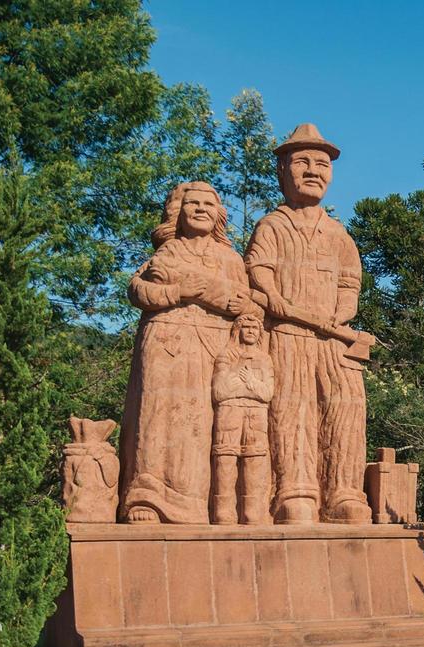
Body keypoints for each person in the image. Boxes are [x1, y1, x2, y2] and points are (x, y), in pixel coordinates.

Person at [245, 123, 374, 525]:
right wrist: (278, 300)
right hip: (287, 335)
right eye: (302, 161)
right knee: (291, 409)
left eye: (321, 163)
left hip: (333, 340)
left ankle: (344, 492)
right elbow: (258, 272)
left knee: (346, 408)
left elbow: (350, 281)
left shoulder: (338, 233)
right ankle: (295, 491)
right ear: (283, 170)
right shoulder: (272, 225)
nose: (313, 170)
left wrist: (340, 315)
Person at [121, 182, 255, 523]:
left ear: (218, 215)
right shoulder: (167, 253)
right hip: (167, 340)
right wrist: (178, 292)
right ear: (177, 212)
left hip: (214, 346)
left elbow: (244, 303)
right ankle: (148, 498)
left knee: (205, 423)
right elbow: (137, 289)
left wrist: (229, 300)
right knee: (160, 416)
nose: (200, 209)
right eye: (191, 203)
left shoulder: (230, 258)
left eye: (208, 204)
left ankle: (204, 504)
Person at [210, 313, 275, 524]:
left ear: (259, 333)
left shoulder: (265, 359)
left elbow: (267, 393)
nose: (250, 331)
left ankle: (253, 510)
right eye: (246, 327)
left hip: (256, 413)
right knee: (225, 457)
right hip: (229, 411)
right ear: (237, 330)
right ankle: (224, 510)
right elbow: (220, 392)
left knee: (255, 458)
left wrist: (250, 382)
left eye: (254, 328)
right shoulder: (226, 356)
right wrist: (244, 381)